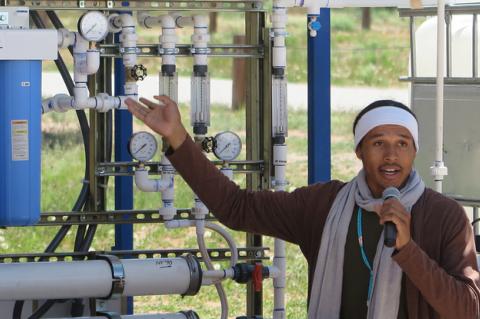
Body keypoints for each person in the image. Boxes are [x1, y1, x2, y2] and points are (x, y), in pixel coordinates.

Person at [125, 96, 480, 319]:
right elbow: (236, 207)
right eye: (378, 143)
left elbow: (467, 309)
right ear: (358, 150)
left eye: (402, 143)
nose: (391, 155)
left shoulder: (443, 215)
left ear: (415, 151)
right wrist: (177, 139)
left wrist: (407, 249)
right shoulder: (324, 205)